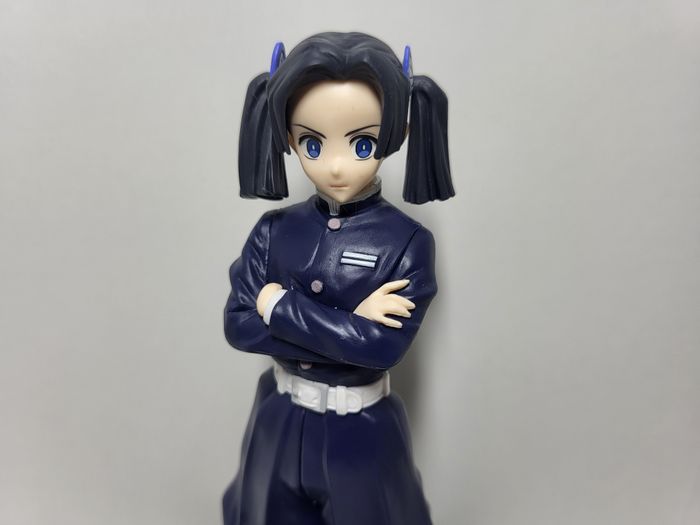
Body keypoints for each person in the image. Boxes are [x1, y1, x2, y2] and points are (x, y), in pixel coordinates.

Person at [222, 31, 454, 525]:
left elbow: (382, 348)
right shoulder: (272, 230)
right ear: (289, 138)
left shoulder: (407, 242)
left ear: (397, 133)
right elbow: (239, 326)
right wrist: (351, 326)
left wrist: (279, 307)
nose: (335, 166)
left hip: (361, 433)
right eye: (312, 143)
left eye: (361, 144)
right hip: (278, 423)